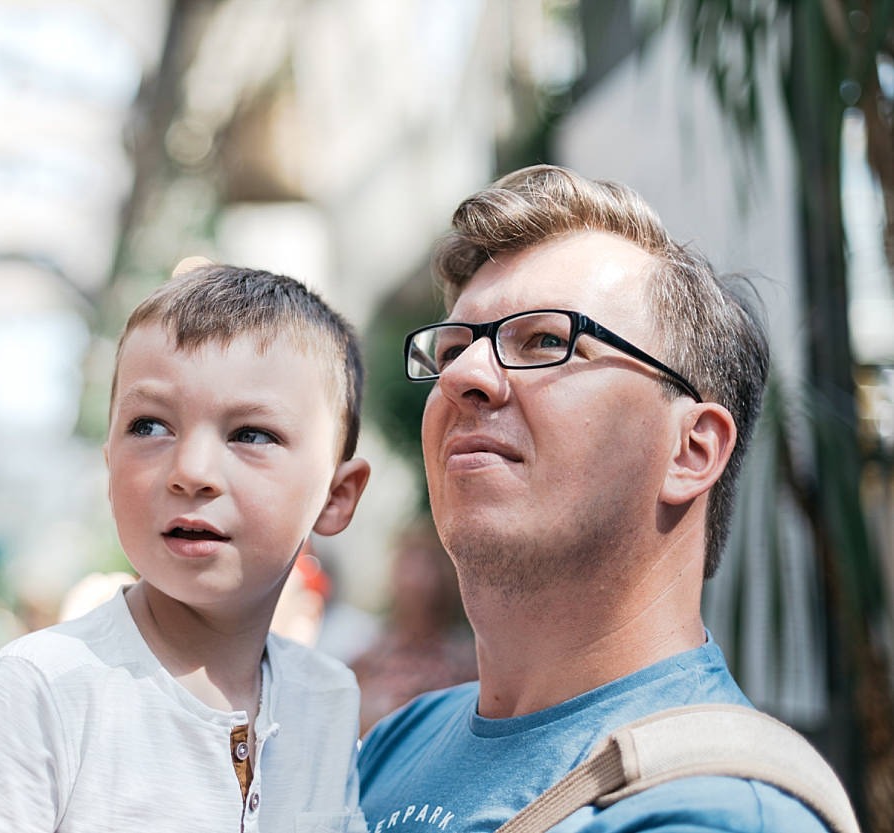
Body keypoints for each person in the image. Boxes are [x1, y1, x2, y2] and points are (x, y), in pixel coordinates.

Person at [357, 164, 837, 831]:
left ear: (690, 450)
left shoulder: (714, 811)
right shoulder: (392, 743)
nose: (463, 374)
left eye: (548, 340)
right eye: (453, 348)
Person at [0, 263, 372, 832]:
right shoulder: (45, 686)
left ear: (337, 496)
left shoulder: (328, 696)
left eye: (251, 435)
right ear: (109, 465)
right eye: (149, 426)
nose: (191, 472)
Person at [348, 518, 476, 735]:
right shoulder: (370, 658)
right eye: (407, 570)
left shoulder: (465, 662)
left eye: (425, 570)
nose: (415, 581)